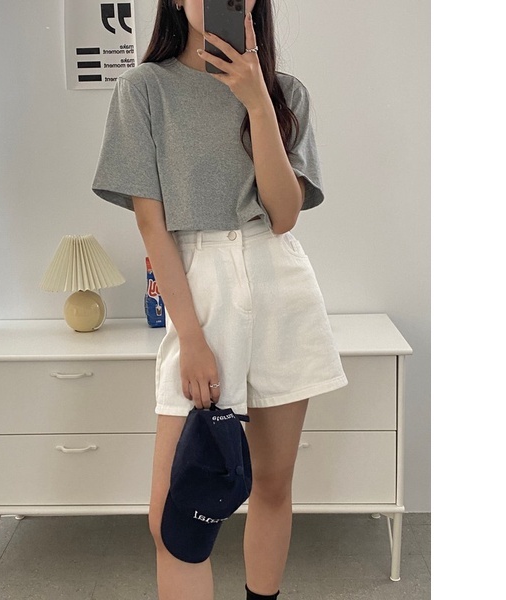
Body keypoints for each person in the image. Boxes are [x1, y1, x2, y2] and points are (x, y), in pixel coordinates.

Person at [91, 2, 348, 599]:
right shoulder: (144, 89)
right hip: (199, 286)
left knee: (273, 486)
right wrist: (193, 338)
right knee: (175, 519)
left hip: (279, 283)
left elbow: (284, 216)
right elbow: (152, 226)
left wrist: (257, 102)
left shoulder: (285, 93)